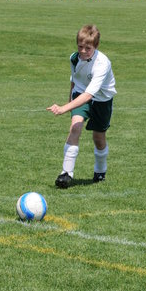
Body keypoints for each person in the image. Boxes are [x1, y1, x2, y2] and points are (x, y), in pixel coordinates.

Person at [47, 24, 116, 188]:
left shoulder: (102, 63)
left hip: (102, 100)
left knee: (99, 138)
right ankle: (66, 174)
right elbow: (75, 80)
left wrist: (64, 108)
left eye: (88, 48)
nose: (83, 51)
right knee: (75, 127)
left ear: (96, 46)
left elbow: (89, 94)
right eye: (80, 47)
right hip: (80, 94)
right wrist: (70, 101)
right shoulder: (74, 58)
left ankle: (100, 171)